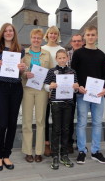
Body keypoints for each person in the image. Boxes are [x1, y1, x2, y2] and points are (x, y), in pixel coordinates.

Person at [71, 26, 105, 164]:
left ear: (96, 36)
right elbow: (73, 72)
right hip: (83, 93)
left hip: (98, 94)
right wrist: (78, 86)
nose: (91, 37)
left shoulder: (101, 54)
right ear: (84, 37)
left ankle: (95, 151)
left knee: (97, 123)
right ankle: (82, 151)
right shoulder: (78, 53)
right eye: (88, 35)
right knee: (81, 123)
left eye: (93, 35)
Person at [0, 23, 26, 171]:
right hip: (1, 87)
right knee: (2, 124)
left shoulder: (20, 50)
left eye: (11, 30)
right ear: (2, 33)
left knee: (12, 124)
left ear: (14, 33)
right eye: (6, 31)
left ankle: (7, 155)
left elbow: (22, 73)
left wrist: (22, 69)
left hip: (16, 88)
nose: (8, 32)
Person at [21, 28, 53, 163]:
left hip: (42, 90)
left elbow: (51, 72)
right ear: (31, 38)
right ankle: (28, 151)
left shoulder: (47, 54)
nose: (36, 40)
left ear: (42, 40)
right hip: (27, 88)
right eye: (34, 37)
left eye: (38, 38)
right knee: (27, 121)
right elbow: (19, 71)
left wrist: (50, 88)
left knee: (40, 121)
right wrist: (24, 74)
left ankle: (39, 152)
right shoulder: (24, 53)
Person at [44, 49, 79, 170]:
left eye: (64, 57)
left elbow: (75, 88)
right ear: (56, 59)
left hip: (68, 103)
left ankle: (64, 154)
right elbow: (45, 85)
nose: (62, 60)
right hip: (56, 103)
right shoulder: (52, 71)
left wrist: (76, 87)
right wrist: (50, 86)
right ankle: (55, 155)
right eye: (60, 58)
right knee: (56, 129)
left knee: (66, 129)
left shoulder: (72, 71)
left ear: (67, 58)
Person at [41, 26, 64, 156]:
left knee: (57, 118)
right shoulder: (43, 49)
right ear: (47, 34)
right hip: (45, 86)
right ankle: (46, 144)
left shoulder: (61, 50)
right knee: (45, 117)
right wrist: (48, 86)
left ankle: (58, 144)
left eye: (55, 34)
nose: (53, 35)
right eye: (51, 33)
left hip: (60, 88)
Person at [67, 34, 83, 153]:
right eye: (74, 41)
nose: (77, 43)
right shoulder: (67, 55)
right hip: (69, 91)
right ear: (71, 43)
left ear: (82, 42)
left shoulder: (86, 54)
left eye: (79, 41)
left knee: (82, 118)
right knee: (69, 117)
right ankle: (69, 143)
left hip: (83, 91)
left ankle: (80, 142)